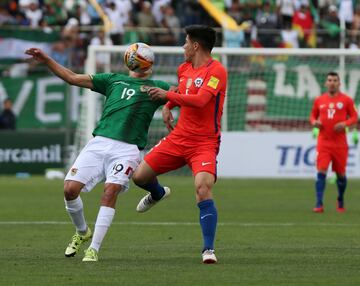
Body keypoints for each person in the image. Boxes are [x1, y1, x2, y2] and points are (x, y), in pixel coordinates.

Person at [25, 43, 170, 262]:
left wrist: (168, 106)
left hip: (127, 149)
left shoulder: (157, 86)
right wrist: (46, 60)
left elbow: (179, 97)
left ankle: (93, 249)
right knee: (69, 190)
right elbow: (72, 78)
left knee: (110, 191)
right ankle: (83, 232)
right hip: (99, 143)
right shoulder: (112, 80)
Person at [132, 25, 228, 264]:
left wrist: (167, 98)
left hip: (204, 142)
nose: (183, 46)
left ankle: (208, 249)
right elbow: (181, 90)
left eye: (186, 42)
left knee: (202, 188)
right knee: (139, 177)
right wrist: (168, 107)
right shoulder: (183, 68)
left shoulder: (217, 71)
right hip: (178, 138)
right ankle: (158, 193)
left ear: (196, 45)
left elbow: (201, 100)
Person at [309, 71, 358, 213]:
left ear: (339, 83)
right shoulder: (319, 100)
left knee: (341, 175)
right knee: (321, 171)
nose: (332, 82)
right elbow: (312, 115)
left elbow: (355, 117)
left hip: (340, 144)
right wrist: (314, 122)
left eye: (335, 80)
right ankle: (319, 203)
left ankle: (340, 199)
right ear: (325, 83)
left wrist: (345, 123)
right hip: (323, 143)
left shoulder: (347, 100)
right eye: (329, 80)